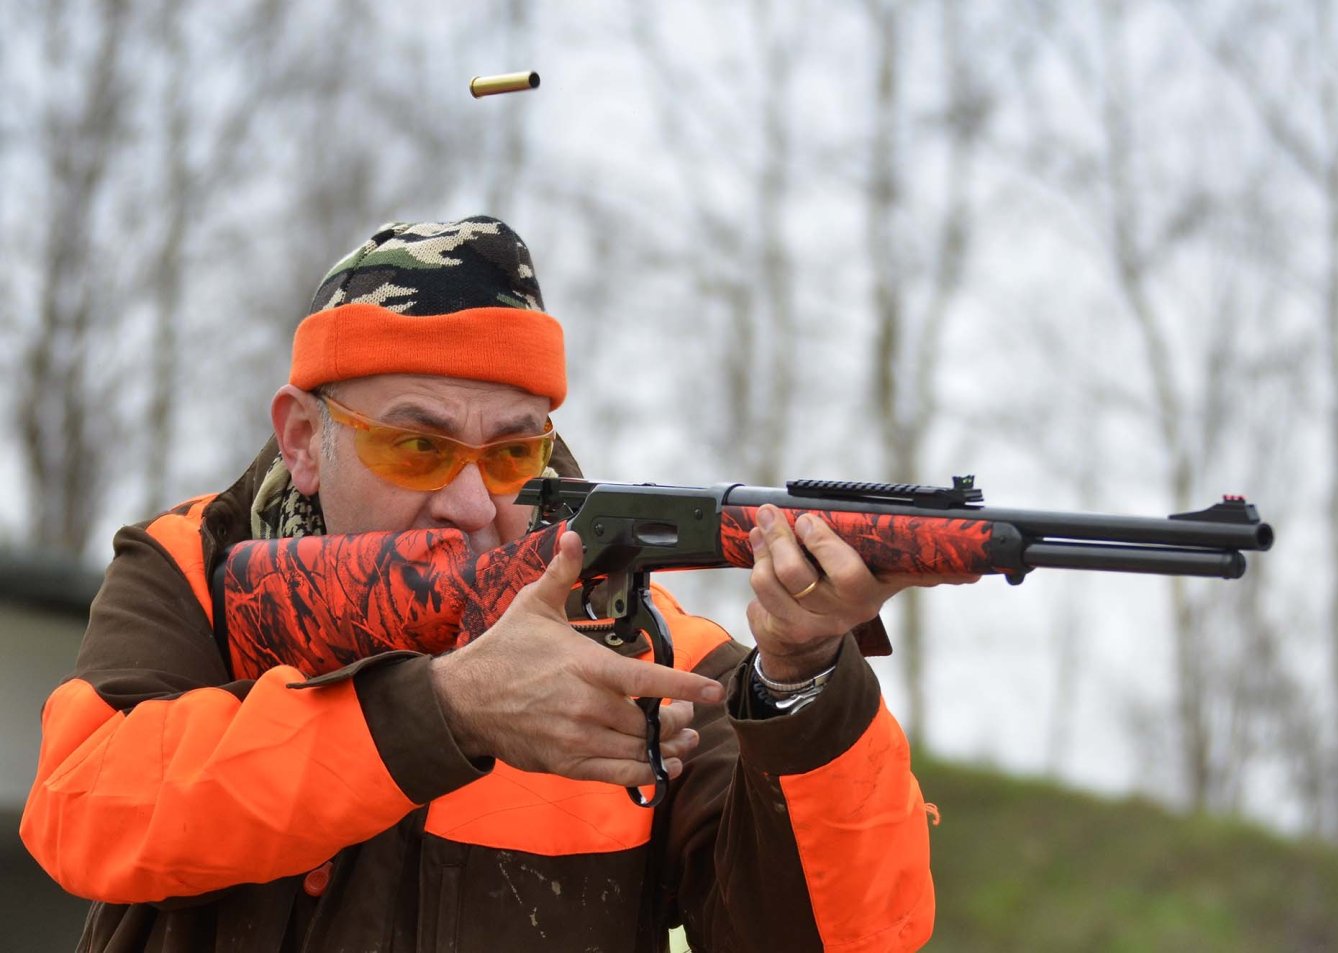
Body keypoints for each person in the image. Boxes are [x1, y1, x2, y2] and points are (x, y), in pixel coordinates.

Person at [22, 215, 962, 951]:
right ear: (304, 440)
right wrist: (448, 710)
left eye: (515, 450)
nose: (471, 503)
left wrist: (801, 676)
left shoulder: (661, 649)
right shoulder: (194, 567)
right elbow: (86, 814)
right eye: (418, 444)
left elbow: (843, 938)